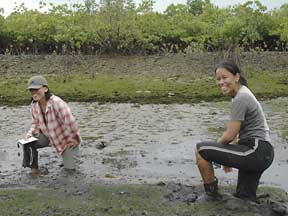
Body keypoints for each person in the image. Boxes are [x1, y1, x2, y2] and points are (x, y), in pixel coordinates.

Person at [195, 60, 274, 202]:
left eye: (225, 77)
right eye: (218, 79)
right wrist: (226, 156)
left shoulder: (241, 98)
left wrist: (216, 150)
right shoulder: (243, 94)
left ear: (236, 77)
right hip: (262, 152)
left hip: (254, 150)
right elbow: (236, 135)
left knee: (201, 149)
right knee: (245, 198)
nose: (221, 82)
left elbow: (230, 134)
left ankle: (211, 195)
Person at [24, 75, 81, 175]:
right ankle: (34, 170)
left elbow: (71, 122)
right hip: (47, 136)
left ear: (45, 89)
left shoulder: (57, 103)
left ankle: (69, 160)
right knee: (27, 143)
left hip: (65, 140)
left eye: (37, 89)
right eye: (32, 90)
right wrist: (29, 135)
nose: (34, 93)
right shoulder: (34, 104)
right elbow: (35, 123)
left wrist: (75, 138)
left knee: (70, 172)